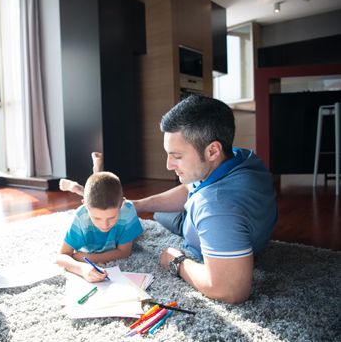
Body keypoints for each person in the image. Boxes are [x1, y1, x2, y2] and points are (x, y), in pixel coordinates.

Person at [132, 95, 277, 304]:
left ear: (212, 150)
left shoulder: (216, 207)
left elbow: (231, 290)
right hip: (210, 216)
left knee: (160, 215)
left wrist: (177, 261)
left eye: (177, 156)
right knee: (155, 211)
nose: (168, 165)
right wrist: (137, 205)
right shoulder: (241, 157)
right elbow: (191, 187)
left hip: (201, 226)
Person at [56, 171, 143, 282]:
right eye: (97, 218)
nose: (105, 225)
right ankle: (77, 188)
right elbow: (61, 256)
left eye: (112, 217)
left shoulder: (127, 210)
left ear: (122, 204)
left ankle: (85, 181)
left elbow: (125, 251)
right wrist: (81, 268)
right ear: (85, 206)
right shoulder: (81, 217)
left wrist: (91, 258)